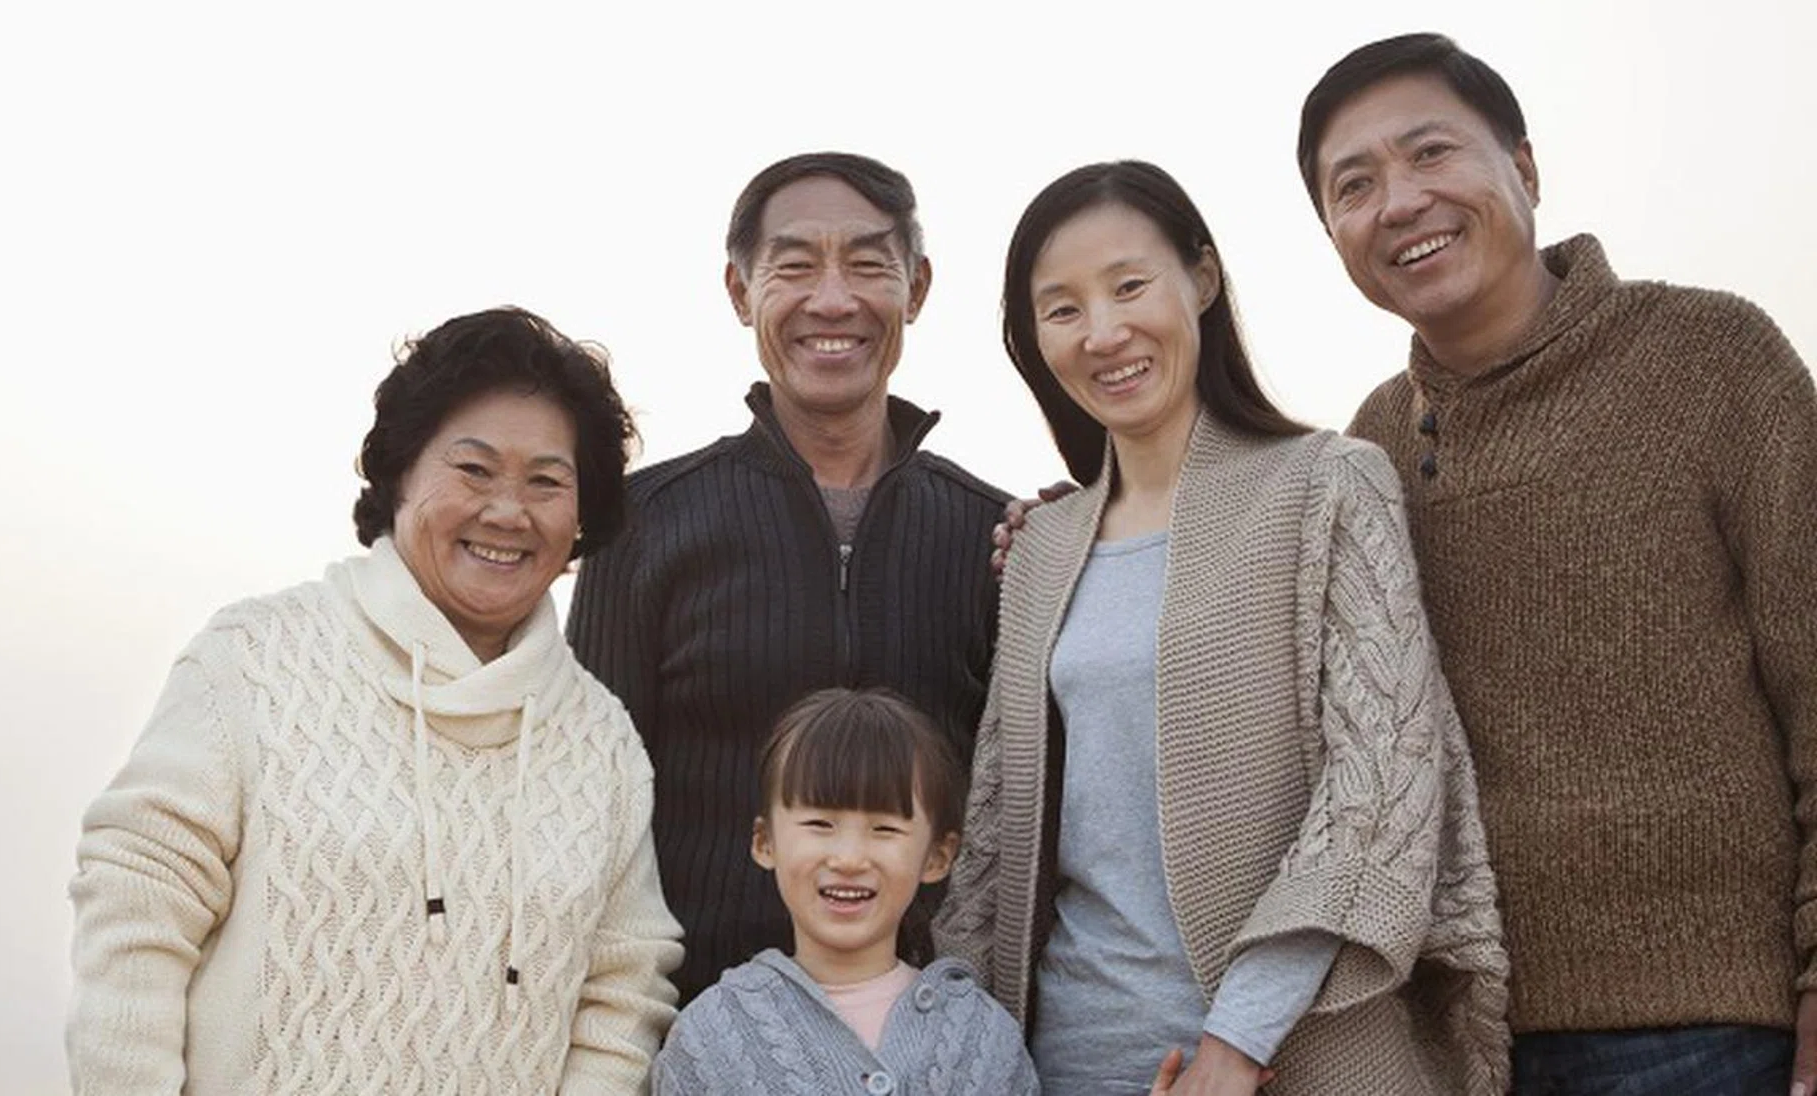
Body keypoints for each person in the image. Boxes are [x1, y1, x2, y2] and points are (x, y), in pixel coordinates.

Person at [1296, 33, 1817, 1095]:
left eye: (1431, 153)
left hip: (1710, 1029)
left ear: (1523, 170)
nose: (1399, 202)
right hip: (1460, 1038)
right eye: (1355, 186)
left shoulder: (1713, 358)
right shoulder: (1372, 445)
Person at [934, 161, 1509, 1096]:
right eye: (1063, 308)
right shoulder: (1041, 547)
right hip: (1066, 1059)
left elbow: (1377, 795)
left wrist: (1233, 1046)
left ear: (1200, 281)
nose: (1105, 333)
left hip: (1298, 1057)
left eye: (1129, 286)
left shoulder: (1328, 486)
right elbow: (1000, 833)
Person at [67, 307, 683, 1094]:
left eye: (546, 482)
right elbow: (137, 900)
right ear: (399, 475)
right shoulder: (255, 658)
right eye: (473, 469)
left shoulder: (603, 744)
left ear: (581, 515)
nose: (507, 511)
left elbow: (623, 994)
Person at [567, 152, 1008, 1002]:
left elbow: (1013, 817)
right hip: (690, 1033)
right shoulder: (642, 524)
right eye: (795, 266)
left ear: (916, 288)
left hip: (934, 1042)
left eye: (869, 265)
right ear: (739, 292)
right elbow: (588, 814)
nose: (832, 300)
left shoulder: (1000, 536)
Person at [651, 687, 1038, 1095]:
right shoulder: (709, 1037)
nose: (850, 859)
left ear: (937, 857)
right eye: (820, 824)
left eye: (885, 829)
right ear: (765, 842)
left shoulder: (984, 1038)